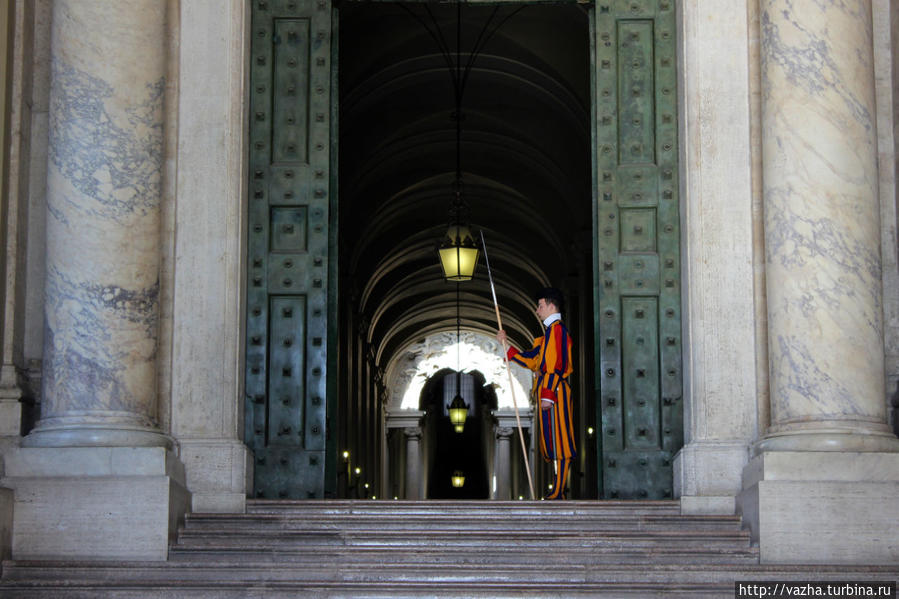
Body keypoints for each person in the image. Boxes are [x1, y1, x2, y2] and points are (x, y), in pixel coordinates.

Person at [497, 287, 576, 500]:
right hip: (550, 392)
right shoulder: (548, 335)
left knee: (561, 440)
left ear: (551, 306)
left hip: (555, 391)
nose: (537, 310)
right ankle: (557, 488)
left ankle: (559, 491)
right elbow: (534, 360)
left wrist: (548, 394)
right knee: (551, 440)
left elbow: (555, 365)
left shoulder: (557, 331)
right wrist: (507, 345)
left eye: (540, 305)